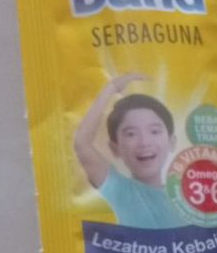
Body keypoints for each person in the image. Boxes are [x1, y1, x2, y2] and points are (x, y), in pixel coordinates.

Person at [74, 73, 184, 229]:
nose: (144, 142)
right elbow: (81, 143)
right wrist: (111, 89)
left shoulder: (186, 198)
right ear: (115, 148)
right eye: (131, 134)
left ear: (172, 142)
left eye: (154, 131)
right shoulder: (118, 189)